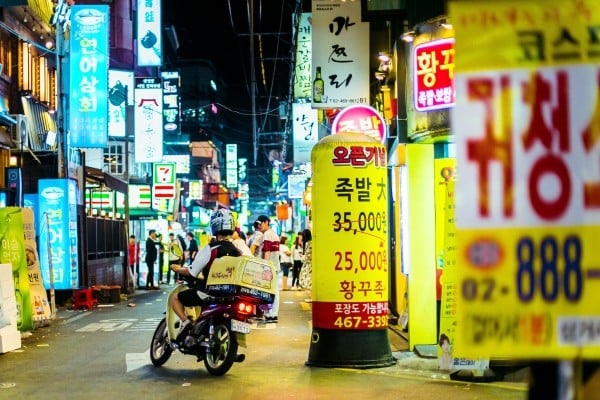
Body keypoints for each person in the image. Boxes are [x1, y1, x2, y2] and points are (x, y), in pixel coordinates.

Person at [169, 209, 242, 343]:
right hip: (230, 295)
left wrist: (178, 269)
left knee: (175, 298)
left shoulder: (210, 248)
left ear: (214, 226)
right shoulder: (237, 252)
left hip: (209, 293)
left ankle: (185, 322)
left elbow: (192, 272)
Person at [250, 215, 280, 322]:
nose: (260, 225)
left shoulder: (267, 234)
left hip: (269, 267)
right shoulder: (274, 234)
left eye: (261, 223)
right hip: (275, 266)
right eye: (258, 224)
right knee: (274, 290)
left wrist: (265, 267)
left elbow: (267, 251)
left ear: (266, 222)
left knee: (269, 291)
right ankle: (273, 314)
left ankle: (270, 314)